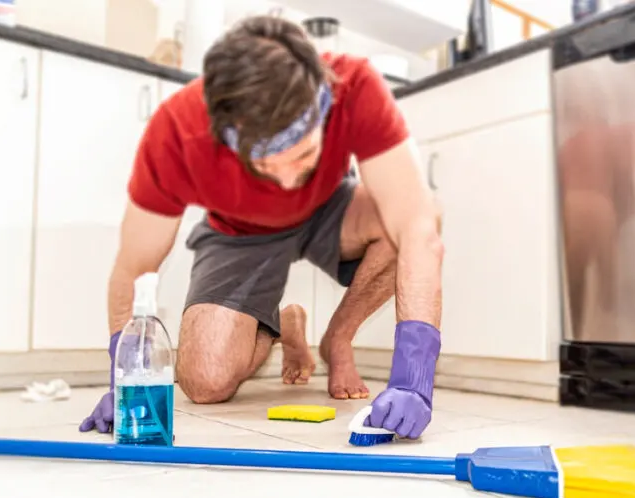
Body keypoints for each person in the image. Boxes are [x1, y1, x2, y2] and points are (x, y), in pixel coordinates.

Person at [79, 15, 444, 440]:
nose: (288, 182)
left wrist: (412, 380)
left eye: (303, 154)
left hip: (327, 207)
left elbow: (417, 226)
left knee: (414, 214)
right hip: (238, 231)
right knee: (204, 384)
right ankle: (281, 325)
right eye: (268, 164)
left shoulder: (355, 87)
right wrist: (124, 381)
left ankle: (338, 336)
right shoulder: (177, 132)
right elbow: (134, 268)